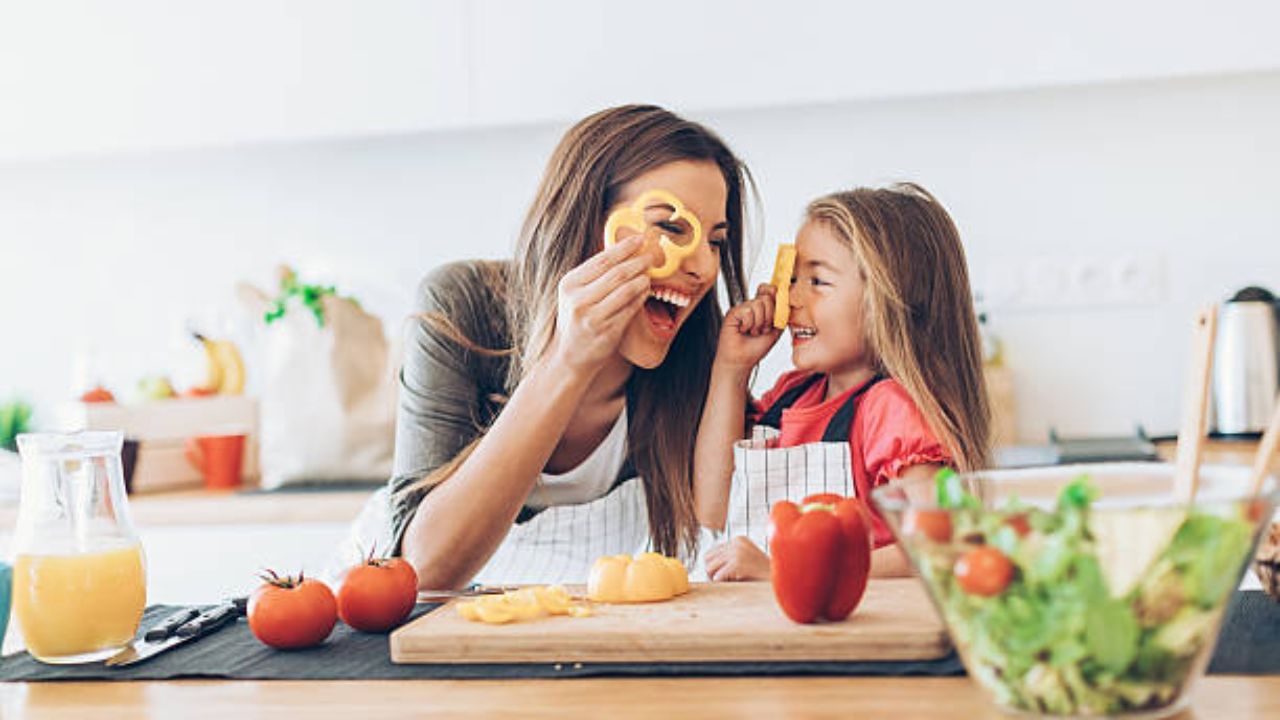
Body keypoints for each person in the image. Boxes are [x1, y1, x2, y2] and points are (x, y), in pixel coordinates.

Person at [388, 105, 753, 589]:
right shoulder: (463, 304)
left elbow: (723, 523)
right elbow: (425, 573)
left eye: (716, 242)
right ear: (585, 221)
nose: (704, 268)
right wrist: (567, 360)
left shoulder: (701, 358)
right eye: (670, 229)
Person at [693, 183, 991, 581]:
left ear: (887, 301)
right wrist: (731, 368)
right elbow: (713, 508)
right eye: (793, 279)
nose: (791, 299)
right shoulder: (791, 395)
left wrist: (787, 571)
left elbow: (939, 544)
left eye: (817, 281)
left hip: (857, 636)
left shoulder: (891, 409)